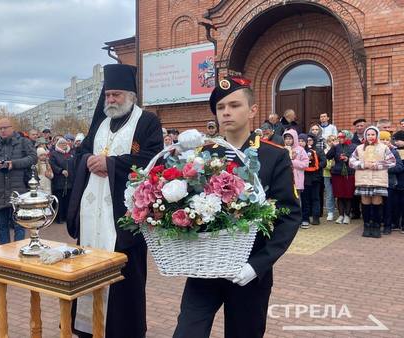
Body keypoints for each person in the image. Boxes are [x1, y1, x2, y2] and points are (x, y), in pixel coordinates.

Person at [173, 77, 301, 338]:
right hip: (205, 266)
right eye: (220, 107)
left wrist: (257, 265)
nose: (226, 112)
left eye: (234, 105)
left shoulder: (273, 156)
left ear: (252, 110)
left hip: (249, 271)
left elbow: (289, 216)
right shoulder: (203, 155)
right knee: (187, 331)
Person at [66, 64, 164, 338]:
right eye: (108, 95)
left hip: (123, 219)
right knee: (86, 265)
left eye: (116, 95)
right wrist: (88, 160)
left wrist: (111, 164)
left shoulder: (147, 122)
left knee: (125, 279)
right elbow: (81, 154)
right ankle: (87, 330)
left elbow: (153, 159)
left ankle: (124, 332)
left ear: (130, 95)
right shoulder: (99, 123)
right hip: (90, 214)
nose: (111, 100)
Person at [0, 118, 37, 245]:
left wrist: (13, 164)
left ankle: (18, 251)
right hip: (0, 190)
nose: (2, 131)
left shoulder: (24, 142)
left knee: (19, 224)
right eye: (0, 128)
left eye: (5, 127)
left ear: (12, 128)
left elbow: (33, 158)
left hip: (19, 189)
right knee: (1, 226)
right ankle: (4, 254)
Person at [349, 126, 396, 238]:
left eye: (373, 134)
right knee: (365, 203)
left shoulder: (384, 147)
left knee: (377, 202)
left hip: (378, 179)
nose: (370, 136)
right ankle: (366, 226)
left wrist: (378, 165)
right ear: (365, 136)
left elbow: (392, 162)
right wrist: (363, 165)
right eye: (368, 134)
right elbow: (351, 162)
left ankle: (376, 226)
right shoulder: (359, 148)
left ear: (377, 135)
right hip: (363, 179)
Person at [326, 131, 357, 224]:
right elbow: (328, 156)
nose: (340, 139)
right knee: (339, 195)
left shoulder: (354, 147)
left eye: (343, 137)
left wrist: (348, 159)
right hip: (337, 173)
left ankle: (347, 215)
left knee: (348, 195)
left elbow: (357, 159)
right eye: (339, 137)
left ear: (347, 137)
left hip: (349, 173)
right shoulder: (336, 146)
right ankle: (340, 215)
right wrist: (333, 147)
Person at [379, 131, 403, 234]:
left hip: (390, 183)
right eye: (382, 139)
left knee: (388, 205)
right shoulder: (375, 151)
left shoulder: (394, 152)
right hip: (377, 182)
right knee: (377, 205)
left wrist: (384, 168)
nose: (385, 142)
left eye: (387, 140)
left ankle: (388, 226)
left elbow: (399, 167)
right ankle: (377, 223)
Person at [301, 133, 326, 226]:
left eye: (310, 140)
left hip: (315, 178)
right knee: (305, 199)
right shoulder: (302, 151)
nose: (309, 142)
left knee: (315, 198)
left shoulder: (318, 150)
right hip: (304, 178)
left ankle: (316, 218)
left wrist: (316, 166)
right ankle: (305, 218)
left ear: (314, 141)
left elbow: (324, 162)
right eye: (307, 140)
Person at [283, 129, 308, 222]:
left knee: (297, 199)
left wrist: (292, 162)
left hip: (296, 179)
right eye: (286, 138)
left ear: (294, 139)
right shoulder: (282, 149)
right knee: (287, 200)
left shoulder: (300, 150)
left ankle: (298, 219)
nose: (288, 140)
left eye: (290, 138)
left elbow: (305, 164)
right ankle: (288, 219)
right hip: (285, 179)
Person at [50, 137, 74, 224]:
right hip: (59, 181)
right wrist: (60, 170)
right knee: (60, 201)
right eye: (62, 144)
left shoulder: (71, 153)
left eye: (65, 143)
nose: (64, 145)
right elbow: (52, 165)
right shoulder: (54, 154)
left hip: (70, 181)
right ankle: (59, 218)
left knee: (68, 200)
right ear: (58, 145)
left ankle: (67, 217)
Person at [323, 135, 338, 221]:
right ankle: (330, 212)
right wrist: (331, 165)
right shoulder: (325, 151)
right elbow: (325, 164)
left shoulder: (338, 149)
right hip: (327, 175)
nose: (332, 142)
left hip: (337, 174)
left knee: (338, 193)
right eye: (329, 141)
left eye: (334, 140)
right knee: (329, 194)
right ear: (327, 143)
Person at [392, 131, 404, 232]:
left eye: (399, 140)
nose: (396, 142)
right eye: (395, 140)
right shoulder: (394, 151)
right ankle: (395, 223)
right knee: (395, 204)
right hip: (396, 182)